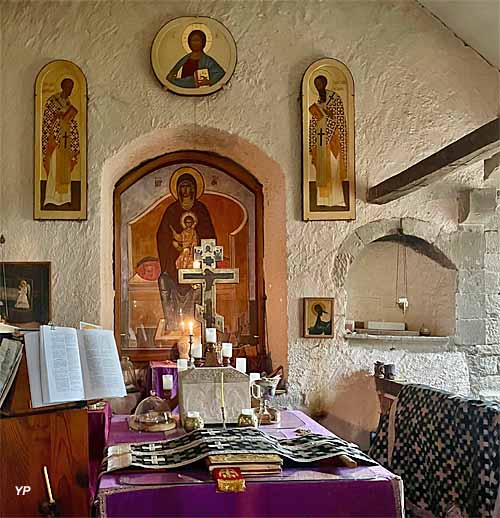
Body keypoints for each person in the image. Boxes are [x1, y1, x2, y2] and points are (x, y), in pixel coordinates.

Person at [156, 171, 216, 331]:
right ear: (177, 189)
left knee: (200, 282)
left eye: (188, 186)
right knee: (164, 280)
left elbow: (209, 235)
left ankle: (198, 324)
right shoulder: (172, 210)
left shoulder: (201, 210)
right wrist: (176, 247)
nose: (185, 190)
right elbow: (162, 236)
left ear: (194, 189)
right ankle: (173, 324)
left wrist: (196, 250)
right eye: (182, 186)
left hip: (196, 261)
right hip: (176, 262)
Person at [308, 75, 347, 207]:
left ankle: (337, 199)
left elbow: (340, 118)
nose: (318, 87)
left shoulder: (335, 99)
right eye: (316, 85)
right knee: (322, 169)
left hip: (332, 140)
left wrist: (329, 115)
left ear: (324, 84)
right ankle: (323, 200)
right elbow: (313, 122)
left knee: (333, 166)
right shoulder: (318, 103)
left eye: (319, 84)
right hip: (321, 140)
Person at [42, 78, 80, 206]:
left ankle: (65, 199)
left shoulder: (68, 104)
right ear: (63, 87)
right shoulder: (53, 101)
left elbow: (72, 124)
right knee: (54, 168)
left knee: (65, 169)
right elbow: (47, 118)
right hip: (55, 141)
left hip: (66, 141)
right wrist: (56, 117)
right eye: (69, 87)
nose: (70, 90)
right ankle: (51, 198)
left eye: (72, 88)